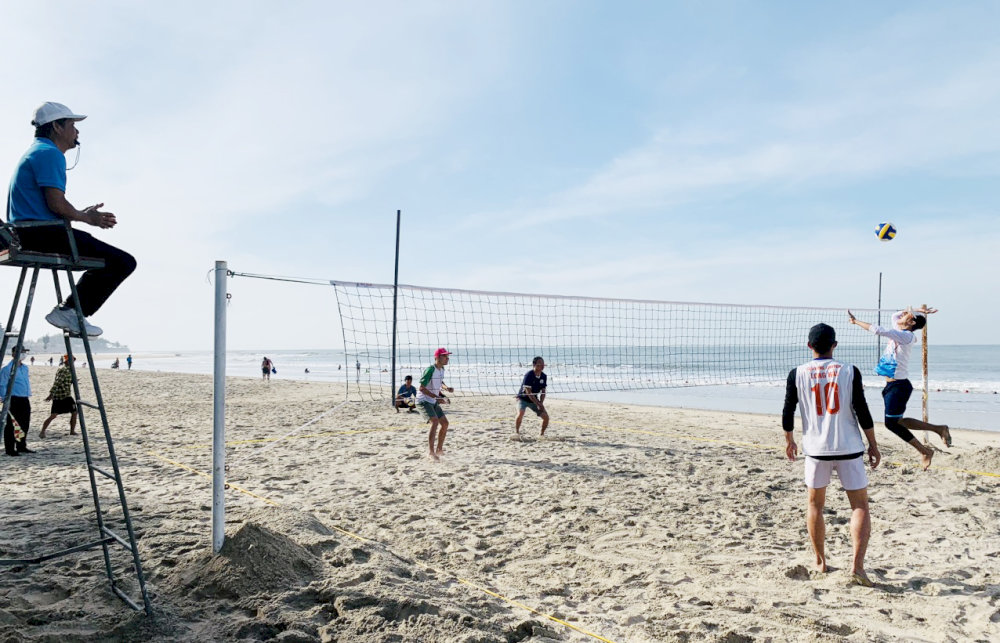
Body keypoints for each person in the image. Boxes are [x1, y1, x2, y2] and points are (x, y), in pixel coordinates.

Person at [6, 102, 136, 337]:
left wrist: (80, 214)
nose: (77, 132)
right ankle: (71, 311)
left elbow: (52, 206)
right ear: (56, 126)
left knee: (113, 259)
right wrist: (87, 217)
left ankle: (71, 310)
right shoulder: (49, 154)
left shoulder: (37, 151)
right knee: (123, 262)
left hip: (28, 232)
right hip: (41, 235)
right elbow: (56, 204)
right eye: (72, 125)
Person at [783, 323, 880, 587]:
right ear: (835, 345)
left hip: (816, 449)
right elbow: (862, 409)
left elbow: (787, 409)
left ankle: (820, 561)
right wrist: (873, 444)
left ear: (809, 346)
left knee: (815, 505)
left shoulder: (797, 373)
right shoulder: (849, 370)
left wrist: (789, 441)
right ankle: (857, 568)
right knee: (859, 505)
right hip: (849, 447)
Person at [848, 306, 951, 470]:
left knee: (891, 424)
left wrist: (855, 321)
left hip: (898, 387)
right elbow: (895, 315)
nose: (902, 315)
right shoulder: (902, 331)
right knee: (898, 421)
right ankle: (938, 429)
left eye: (907, 315)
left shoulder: (906, 336)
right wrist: (913, 309)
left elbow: (876, 330)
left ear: (911, 322)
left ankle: (925, 451)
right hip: (893, 386)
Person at [416, 348, 455, 460]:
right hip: (423, 400)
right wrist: (437, 398)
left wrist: (446, 388)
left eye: (448, 356)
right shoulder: (430, 370)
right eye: (445, 356)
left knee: (445, 423)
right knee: (435, 422)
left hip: (432, 400)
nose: (448, 358)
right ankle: (431, 452)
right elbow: (422, 388)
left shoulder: (441, 369)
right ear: (437, 358)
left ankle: (439, 450)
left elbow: (440, 381)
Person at [1, 347, 34, 456]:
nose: (23, 354)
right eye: (21, 352)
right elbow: (2, 384)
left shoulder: (25, 368)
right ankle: (10, 449)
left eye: (24, 352)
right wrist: (5, 399)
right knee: (11, 425)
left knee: (24, 423)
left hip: (24, 398)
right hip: (13, 399)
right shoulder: (7, 368)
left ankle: (21, 446)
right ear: (13, 354)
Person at [40, 355, 77, 438]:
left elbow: (65, 381)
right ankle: (42, 432)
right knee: (53, 415)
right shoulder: (64, 370)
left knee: (74, 412)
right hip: (61, 395)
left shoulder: (67, 369)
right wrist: (51, 394)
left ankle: (72, 431)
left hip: (66, 395)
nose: (73, 362)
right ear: (66, 361)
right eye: (71, 360)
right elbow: (57, 382)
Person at [515, 356, 550, 438]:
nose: (542, 365)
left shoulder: (544, 376)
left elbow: (543, 392)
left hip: (534, 400)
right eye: (539, 364)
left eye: (543, 364)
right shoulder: (529, 375)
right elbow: (528, 392)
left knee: (546, 417)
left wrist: (541, 403)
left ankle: (541, 434)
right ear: (534, 365)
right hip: (523, 398)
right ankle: (516, 433)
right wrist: (537, 403)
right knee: (520, 413)